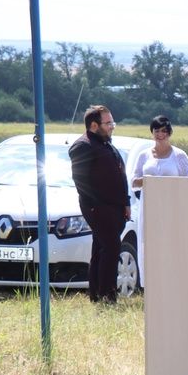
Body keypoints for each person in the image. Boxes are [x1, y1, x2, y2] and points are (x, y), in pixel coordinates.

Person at [69, 104, 130, 303]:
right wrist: (95, 206)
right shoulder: (83, 146)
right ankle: (107, 294)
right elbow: (81, 181)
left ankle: (96, 293)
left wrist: (125, 203)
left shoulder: (105, 144)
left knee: (101, 248)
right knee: (112, 248)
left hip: (114, 207)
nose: (112, 126)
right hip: (98, 207)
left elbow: (119, 176)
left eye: (113, 122)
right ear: (94, 125)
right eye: (108, 123)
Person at [130, 115, 188, 282]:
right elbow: (133, 182)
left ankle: (174, 278)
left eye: (164, 131)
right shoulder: (144, 155)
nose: (160, 134)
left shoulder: (179, 155)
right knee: (149, 244)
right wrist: (146, 181)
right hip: (149, 206)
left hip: (173, 206)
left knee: (172, 242)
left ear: (169, 133)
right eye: (157, 131)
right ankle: (150, 280)